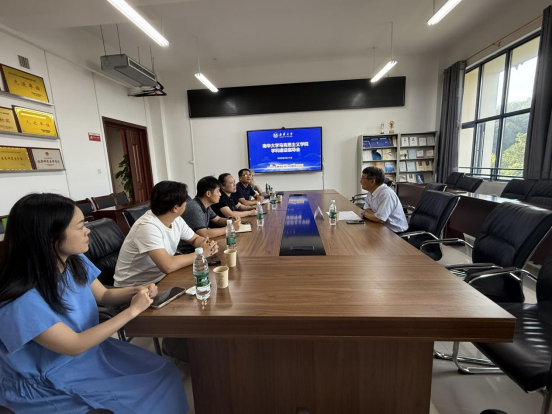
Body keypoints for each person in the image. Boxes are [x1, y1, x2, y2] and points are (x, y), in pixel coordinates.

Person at [0, 193, 188, 413]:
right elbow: (74, 345)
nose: (88, 231)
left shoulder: (74, 261)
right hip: (49, 377)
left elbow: (104, 295)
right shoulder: (21, 301)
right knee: (128, 403)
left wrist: (137, 290)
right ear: (49, 236)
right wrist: (132, 311)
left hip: (91, 352)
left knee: (164, 372)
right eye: (80, 226)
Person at [114, 180, 218, 287]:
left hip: (162, 278)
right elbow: (167, 266)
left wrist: (207, 244)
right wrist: (201, 254)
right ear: (175, 208)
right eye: (185, 201)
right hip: (136, 287)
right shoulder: (147, 227)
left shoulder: (175, 219)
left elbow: (195, 239)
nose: (187, 203)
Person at [178, 176, 241, 254]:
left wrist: (230, 221)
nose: (220, 194)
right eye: (218, 191)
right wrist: (230, 228)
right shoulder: (194, 208)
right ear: (208, 193)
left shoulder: (205, 205)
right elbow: (204, 233)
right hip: (188, 251)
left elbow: (218, 220)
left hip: (201, 246)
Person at [359, 167, 408, 232]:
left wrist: (364, 214)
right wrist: (375, 216)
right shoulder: (371, 191)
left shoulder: (386, 195)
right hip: (381, 226)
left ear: (372, 181)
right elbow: (367, 209)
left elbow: (379, 218)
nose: (360, 181)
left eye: (363, 178)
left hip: (395, 231)